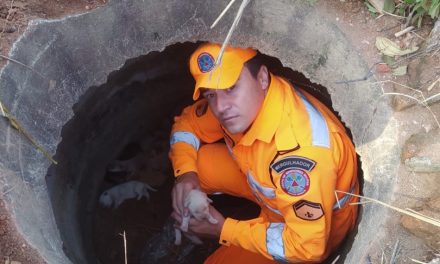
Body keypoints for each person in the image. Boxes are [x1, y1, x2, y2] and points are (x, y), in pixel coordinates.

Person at [169, 42, 359, 263]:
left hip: (310, 231)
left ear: (262, 78)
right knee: (197, 165)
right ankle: (188, 216)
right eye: (210, 95)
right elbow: (186, 124)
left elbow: (307, 250)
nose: (220, 106)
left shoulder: (300, 157)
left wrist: (224, 230)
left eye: (231, 88)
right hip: (266, 186)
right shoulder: (245, 104)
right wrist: (185, 175)